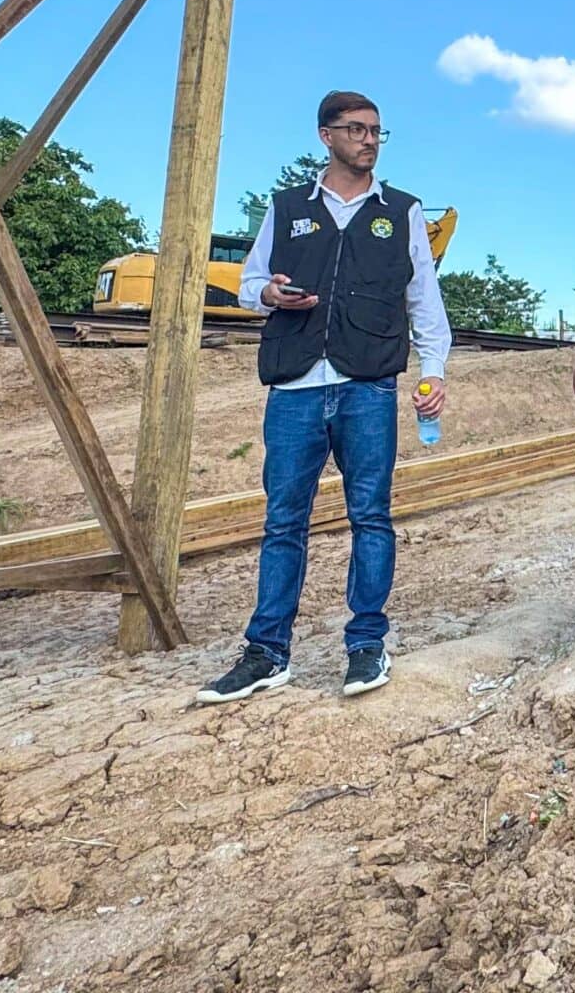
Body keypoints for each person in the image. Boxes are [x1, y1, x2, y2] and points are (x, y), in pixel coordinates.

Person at [199, 91, 452, 703]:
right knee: (284, 521)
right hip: (295, 387)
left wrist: (434, 369)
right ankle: (266, 653)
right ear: (325, 135)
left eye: (376, 131)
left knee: (371, 517)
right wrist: (269, 295)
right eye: (356, 129)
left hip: (368, 385)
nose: (368, 140)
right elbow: (248, 284)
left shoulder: (403, 211)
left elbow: (423, 297)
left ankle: (366, 645)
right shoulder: (287, 207)